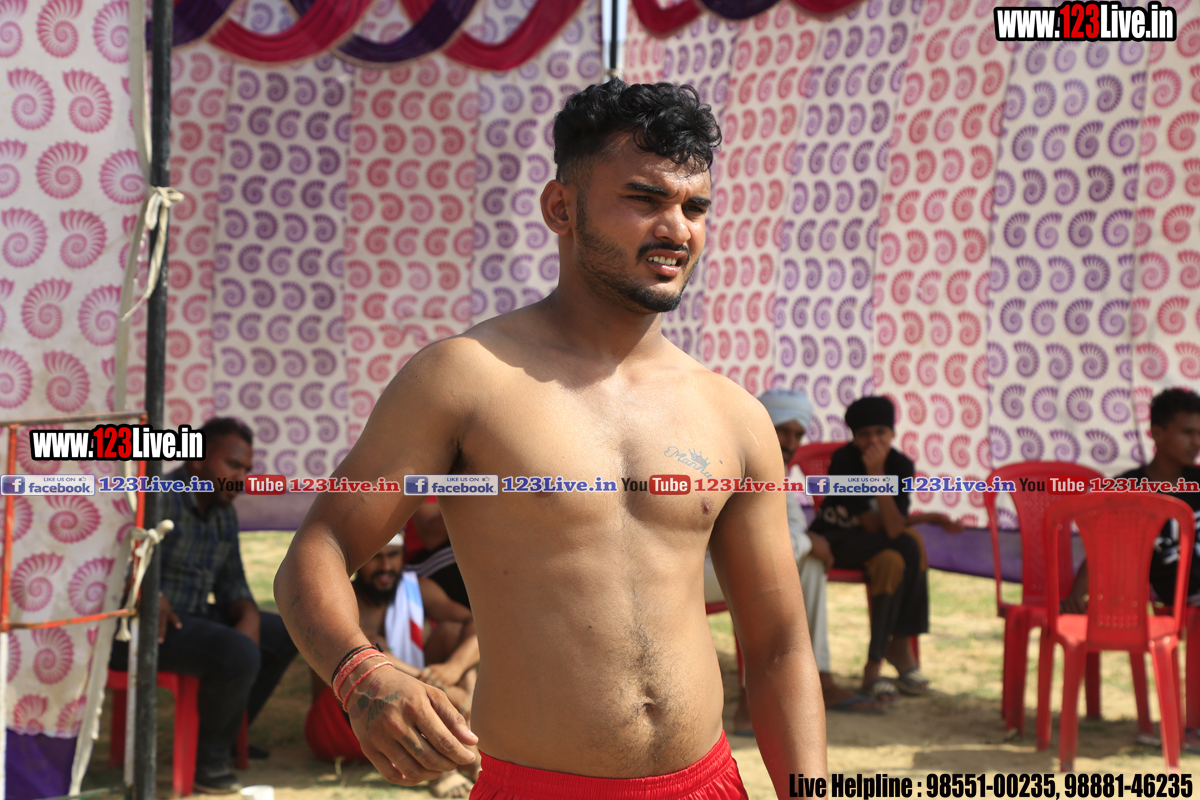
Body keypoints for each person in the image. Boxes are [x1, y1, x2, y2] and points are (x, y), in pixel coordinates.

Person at [275, 79, 825, 800]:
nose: (677, 229)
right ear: (560, 208)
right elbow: (319, 547)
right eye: (645, 198)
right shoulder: (465, 380)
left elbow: (779, 645)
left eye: (694, 207)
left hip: (708, 783)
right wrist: (361, 673)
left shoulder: (734, 415)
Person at [110, 418, 297, 794]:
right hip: (143, 627)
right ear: (197, 460)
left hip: (192, 618)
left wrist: (247, 613)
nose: (241, 478)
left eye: (246, 470)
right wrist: (149, 593)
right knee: (236, 652)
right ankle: (207, 763)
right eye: (233, 465)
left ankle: (226, 738)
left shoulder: (224, 512)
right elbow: (119, 564)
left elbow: (233, 583)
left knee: (281, 633)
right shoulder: (158, 497)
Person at [719, 389, 882, 734]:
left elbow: (792, 531)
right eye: (783, 431)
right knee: (764, 574)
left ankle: (821, 677)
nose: (791, 442)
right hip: (699, 571)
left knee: (808, 563)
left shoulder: (775, 471)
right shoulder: (733, 463)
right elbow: (755, 550)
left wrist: (806, 544)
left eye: (798, 434)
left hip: (740, 567)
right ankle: (749, 704)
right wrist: (809, 541)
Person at [810, 397, 963, 704]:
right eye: (864, 434)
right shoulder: (844, 461)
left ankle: (875, 664)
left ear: (893, 433)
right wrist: (877, 475)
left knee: (894, 559)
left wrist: (928, 516)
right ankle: (899, 649)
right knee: (910, 542)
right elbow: (883, 528)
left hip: (878, 546)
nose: (873, 441)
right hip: (836, 542)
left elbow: (892, 527)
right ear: (854, 437)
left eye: (880, 432)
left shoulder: (902, 465)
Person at [305, 534, 479, 798]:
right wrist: (435, 685)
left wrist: (453, 667)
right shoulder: (343, 597)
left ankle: (472, 751)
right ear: (360, 561)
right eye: (376, 557)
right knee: (376, 646)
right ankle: (445, 767)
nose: (385, 566)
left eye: (393, 555)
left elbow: (475, 624)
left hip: (414, 687)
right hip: (346, 718)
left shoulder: (418, 587)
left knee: (454, 634)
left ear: (403, 556)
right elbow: (366, 657)